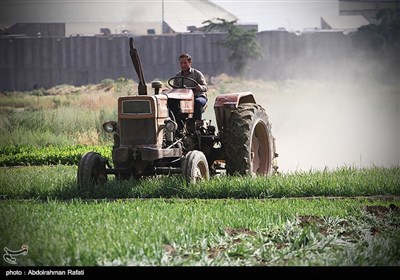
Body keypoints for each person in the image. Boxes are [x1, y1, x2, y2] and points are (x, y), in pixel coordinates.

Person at [173, 53, 208, 122]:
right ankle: (177, 124)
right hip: (183, 98)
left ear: (190, 62)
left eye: (185, 63)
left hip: (197, 96)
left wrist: (200, 87)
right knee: (173, 103)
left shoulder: (197, 74)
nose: (183, 65)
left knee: (197, 102)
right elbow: (174, 89)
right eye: (181, 63)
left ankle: (197, 123)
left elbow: (205, 87)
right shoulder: (177, 76)